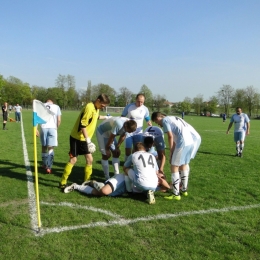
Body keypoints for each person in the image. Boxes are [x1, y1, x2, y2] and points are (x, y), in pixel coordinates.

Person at [59, 94, 110, 190]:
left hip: (84, 139)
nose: (103, 107)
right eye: (102, 105)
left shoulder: (96, 108)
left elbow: (95, 117)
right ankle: (63, 182)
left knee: (90, 159)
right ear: (98, 100)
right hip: (77, 138)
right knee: (73, 160)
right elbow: (83, 125)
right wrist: (88, 141)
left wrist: (106, 118)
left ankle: (86, 182)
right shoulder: (89, 107)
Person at [151, 112, 194, 201]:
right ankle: (184, 190)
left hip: (182, 143)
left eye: (156, 122)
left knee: (174, 167)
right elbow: (175, 137)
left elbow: (170, 136)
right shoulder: (174, 118)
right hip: (190, 142)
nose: (159, 125)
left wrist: (171, 151)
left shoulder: (165, 120)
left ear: (158, 118)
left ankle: (176, 194)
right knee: (184, 165)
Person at [121, 93, 152, 161]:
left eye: (142, 102)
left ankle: (135, 165)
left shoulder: (145, 109)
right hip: (128, 132)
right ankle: (126, 165)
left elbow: (147, 117)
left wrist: (148, 122)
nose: (140, 103)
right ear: (135, 100)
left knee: (137, 151)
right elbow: (122, 116)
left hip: (138, 133)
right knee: (128, 151)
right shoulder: (129, 107)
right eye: (138, 101)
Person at [36, 99, 61, 174]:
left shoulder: (42, 105)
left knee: (44, 147)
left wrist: (36, 128)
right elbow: (59, 120)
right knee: (51, 147)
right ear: (52, 102)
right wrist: (56, 127)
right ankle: (49, 167)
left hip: (43, 128)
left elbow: (37, 116)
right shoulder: (56, 106)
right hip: (52, 128)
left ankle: (44, 164)